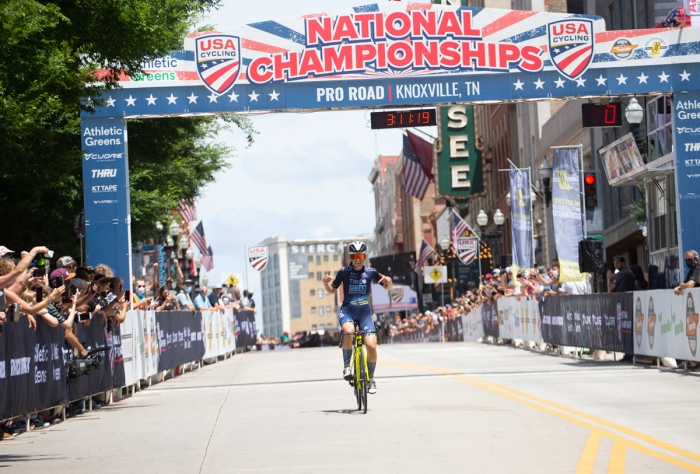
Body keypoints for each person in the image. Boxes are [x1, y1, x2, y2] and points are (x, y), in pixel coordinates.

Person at [322, 241, 392, 395]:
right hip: (347, 311)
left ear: (365, 256)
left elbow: (387, 286)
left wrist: (389, 282)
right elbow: (332, 290)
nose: (358, 259)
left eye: (360, 256)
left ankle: (371, 379)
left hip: (364, 314)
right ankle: (347, 366)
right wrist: (326, 284)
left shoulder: (371, 272)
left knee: (372, 346)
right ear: (351, 258)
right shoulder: (343, 272)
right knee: (348, 331)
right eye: (354, 256)